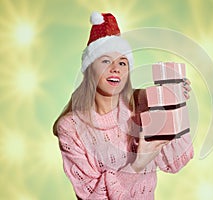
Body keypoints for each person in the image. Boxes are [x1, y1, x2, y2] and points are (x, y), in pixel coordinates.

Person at [53, 11, 194, 200]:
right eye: (105, 61)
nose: (116, 68)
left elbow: (174, 163)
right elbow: (93, 197)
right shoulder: (71, 128)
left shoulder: (140, 106)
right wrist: (137, 165)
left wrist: (175, 104)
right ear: (88, 69)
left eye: (122, 62)